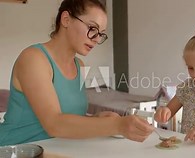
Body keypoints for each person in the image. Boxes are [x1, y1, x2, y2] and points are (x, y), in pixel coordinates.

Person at [0, 0, 153, 146]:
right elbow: (54, 124)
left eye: (101, 34)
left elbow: (69, 116)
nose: (96, 39)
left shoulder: (79, 66)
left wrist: (95, 118)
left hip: (57, 148)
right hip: (16, 149)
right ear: (66, 19)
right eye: (92, 28)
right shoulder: (33, 58)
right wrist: (117, 125)